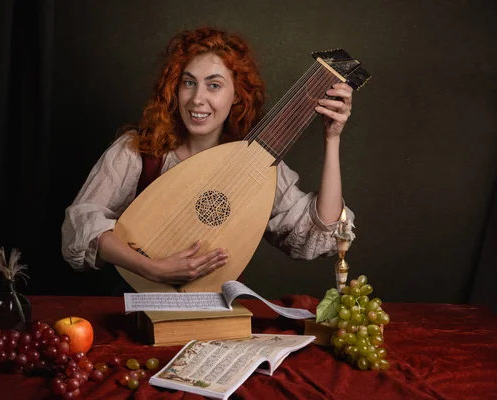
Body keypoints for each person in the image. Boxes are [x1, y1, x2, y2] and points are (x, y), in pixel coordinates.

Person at [61, 27, 355, 293]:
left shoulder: (255, 166)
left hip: (217, 314)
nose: (197, 99)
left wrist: (332, 139)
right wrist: (152, 268)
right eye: (189, 83)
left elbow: (321, 230)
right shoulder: (137, 151)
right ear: (174, 89)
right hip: (137, 310)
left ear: (237, 95)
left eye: (214, 85)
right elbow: (81, 222)